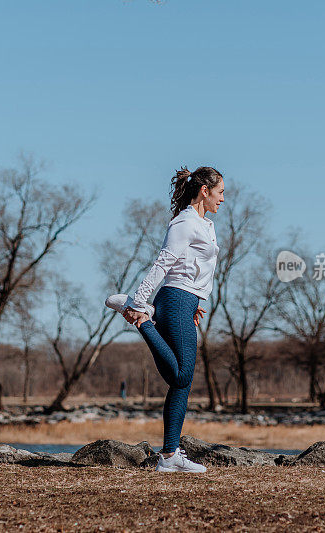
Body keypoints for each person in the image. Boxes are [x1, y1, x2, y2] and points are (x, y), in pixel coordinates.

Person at [105, 166, 223, 473]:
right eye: (221, 192)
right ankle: (141, 318)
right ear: (204, 191)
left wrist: (197, 300)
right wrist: (140, 300)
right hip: (174, 299)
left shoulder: (206, 225)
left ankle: (170, 456)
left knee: (181, 384)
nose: (223, 199)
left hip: (186, 301)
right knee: (181, 377)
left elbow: (196, 267)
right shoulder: (184, 223)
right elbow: (163, 263)